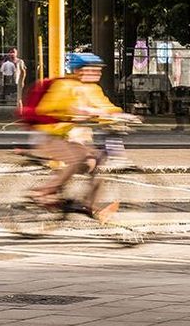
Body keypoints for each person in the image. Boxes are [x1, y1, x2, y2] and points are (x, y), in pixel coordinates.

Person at [28, 50, 127, 210]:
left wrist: (123, 115)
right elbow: (47, 108)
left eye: (98, 70)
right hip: (49, 134)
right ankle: (41, 193)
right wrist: (76, 111)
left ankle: (89, 204)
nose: (96, 73)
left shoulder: (93, 89)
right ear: (76, 70)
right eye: (91, 69)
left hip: (68, 137)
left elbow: (104, 106)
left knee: (98, 161)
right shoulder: (64, 85)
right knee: (75, 161)